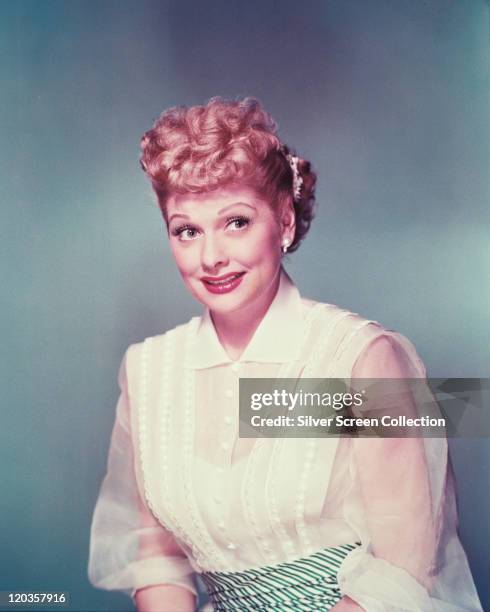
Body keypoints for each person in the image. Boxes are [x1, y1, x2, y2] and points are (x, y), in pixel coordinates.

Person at [87, 97, 483, 611]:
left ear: (286, 224)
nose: (211, 257)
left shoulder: (363, 358)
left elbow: (401, 569)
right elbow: (156, 558)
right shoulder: (148, 370)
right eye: (187, 231)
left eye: (236, 222)